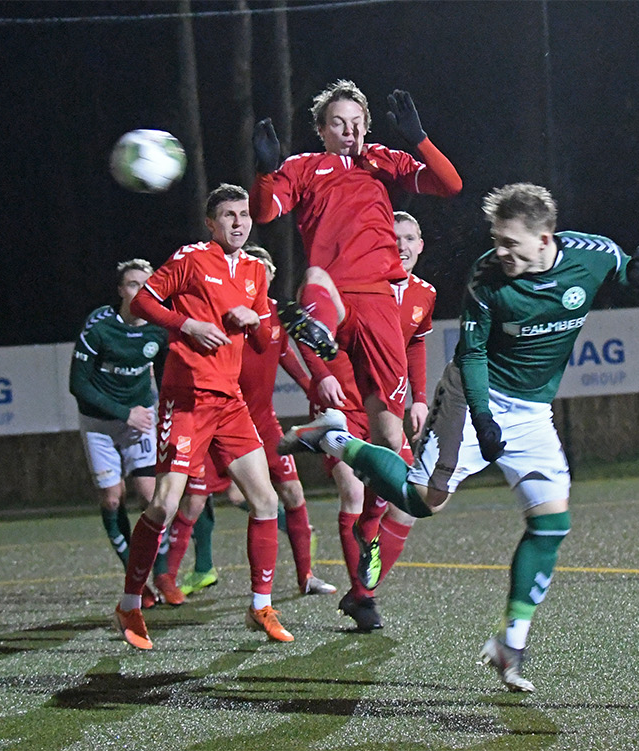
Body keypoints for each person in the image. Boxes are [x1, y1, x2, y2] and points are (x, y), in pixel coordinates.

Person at [280, 183, 639, 691]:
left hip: (532, 411)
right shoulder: (487, 276)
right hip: (471, 395)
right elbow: (474, 353)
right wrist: (482, 418)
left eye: (511, 243)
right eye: (497, 241)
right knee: (421, 501)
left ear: (545, 238)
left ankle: (512, 644)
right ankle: (336, 439)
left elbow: (637, 284)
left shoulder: (593, 254)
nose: (501, 252)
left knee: (551, 524)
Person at [249, 80, 461, 478]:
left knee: (389, 438)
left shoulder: (382, 163)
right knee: (315, 277)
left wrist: (419, 139)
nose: (349, 132)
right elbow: (262, 213)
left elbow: (451, 184)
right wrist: (264, 172)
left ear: (366, 126)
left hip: (381, 304)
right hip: (335, 298)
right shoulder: (302, 168)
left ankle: (341, 452)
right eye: (338, 123)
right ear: (321, 130)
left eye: (356, 123)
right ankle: (319, 331)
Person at [113, 184, 293, 649]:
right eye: (229, 215)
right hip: (187, 397)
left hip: (229, 401)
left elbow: (261, 336)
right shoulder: (192, 257)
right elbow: (142, 303)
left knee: (266, 501)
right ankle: (130, 604)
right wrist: (187, 324)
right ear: (211, 224)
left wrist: (258, 323)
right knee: (164, 505)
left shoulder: (255, 269)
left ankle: (260, 606)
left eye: (244, 214)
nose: (239, 222)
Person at [154, 244, 336, 603]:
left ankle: (306, 576)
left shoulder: (273, 320)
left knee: (293, 494)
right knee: (190, 503)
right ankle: (167, 578)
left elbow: (291, 362)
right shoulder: (225, 312)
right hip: (220, 417)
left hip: (263, 422)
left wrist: (316, 390)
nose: (261, 272)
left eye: (266, 267)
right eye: (256, 265)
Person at [314, 210, 436, 632]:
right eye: (392, 238)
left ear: (421, 244)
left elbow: (416, 344)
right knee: (352, 492)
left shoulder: (424, 294)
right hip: (346, 407)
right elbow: (311, 331)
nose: (400, 246)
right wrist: (325, 375)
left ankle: (362, 588)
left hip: (387, 411)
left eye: (409, 237)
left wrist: (420, 399)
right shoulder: (358, 285)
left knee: (410, 504)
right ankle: (364, 598)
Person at [69, 259, 170, 603]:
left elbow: (170, 371)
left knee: (153, 497)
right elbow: (78, 384)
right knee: (113, 497)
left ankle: (164, 575)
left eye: (146, 283)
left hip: (140, 419)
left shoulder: (160, 326)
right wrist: (124, 413)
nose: (139, 290)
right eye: (131, 284)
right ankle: (135, 579)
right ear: (120, 290)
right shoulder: (99, 327)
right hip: (100, 423)